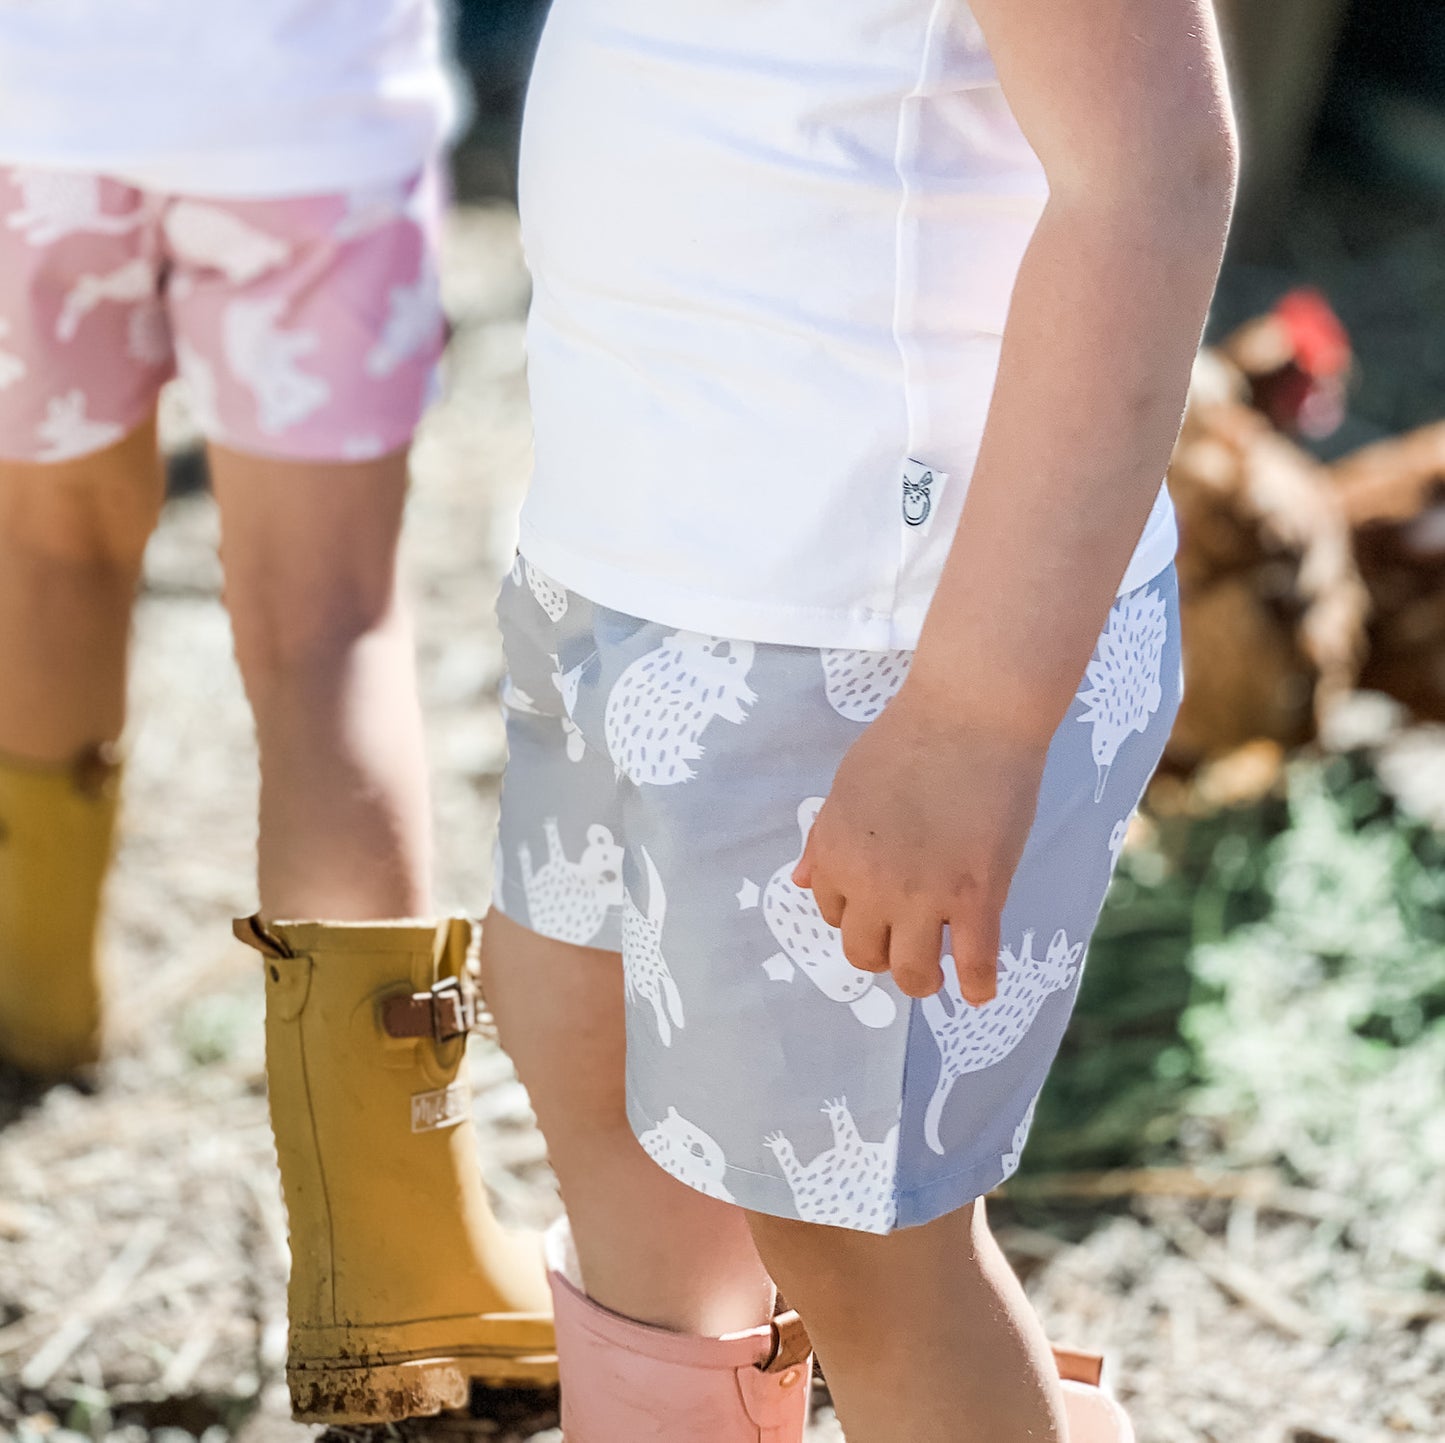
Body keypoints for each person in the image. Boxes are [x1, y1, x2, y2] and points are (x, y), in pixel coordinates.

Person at [484, 0, 1236, 1439]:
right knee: (606, 1109)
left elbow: (1148, 180)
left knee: (855, 1240)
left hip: (877, 643)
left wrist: (974, 714)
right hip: (621, 564)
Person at [0, 0, 554, 1422]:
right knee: (326, 625)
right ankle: (393, 1260)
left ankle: (28, 1002)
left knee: (47, 546)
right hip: (300, 111)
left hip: (30, 107)